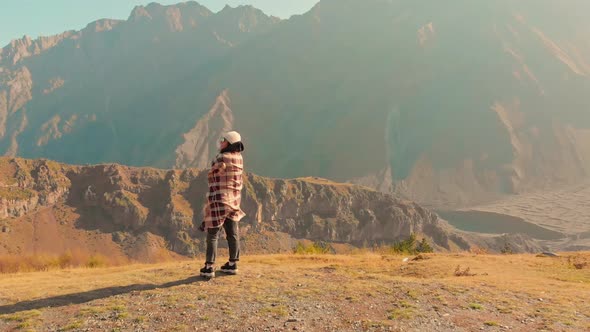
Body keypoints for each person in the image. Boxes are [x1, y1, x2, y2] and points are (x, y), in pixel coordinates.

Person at [199, 131, 245, 278]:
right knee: (232, 233)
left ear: (229, 142)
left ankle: (209, 267)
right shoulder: (239, 158)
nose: (220, 142)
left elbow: (212, 172)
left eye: (223, 140)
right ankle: (232, 264)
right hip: (234, 201)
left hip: (220, 200)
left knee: (212, 234)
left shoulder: (221, 157)